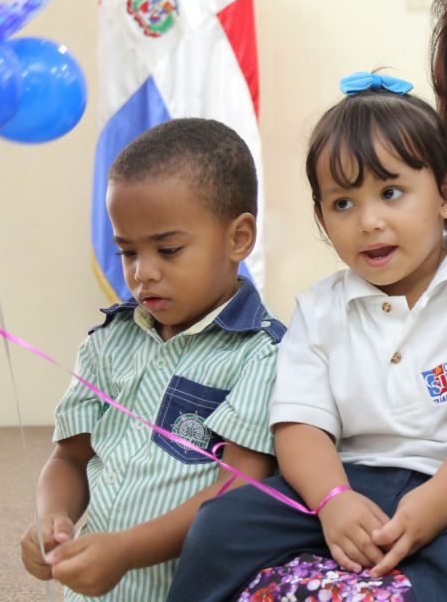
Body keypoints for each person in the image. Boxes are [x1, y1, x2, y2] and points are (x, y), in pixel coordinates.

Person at [166, 73, 447, 602]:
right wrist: (332, 498)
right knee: (221, 525)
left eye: (391, 193)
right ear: (322, 217)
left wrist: (440, 499)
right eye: (343, 204)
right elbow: (300, 427)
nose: (369, 221)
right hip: (352, 478)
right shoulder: (319, 308)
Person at [18, 118, 284, 600]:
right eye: (127, 251)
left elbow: (239, 489)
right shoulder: (107, 340)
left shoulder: (262, 353)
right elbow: (70, 456)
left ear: (239, 238)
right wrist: (51, 518)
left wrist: (126, 551)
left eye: (168, 249)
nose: (143, 273)